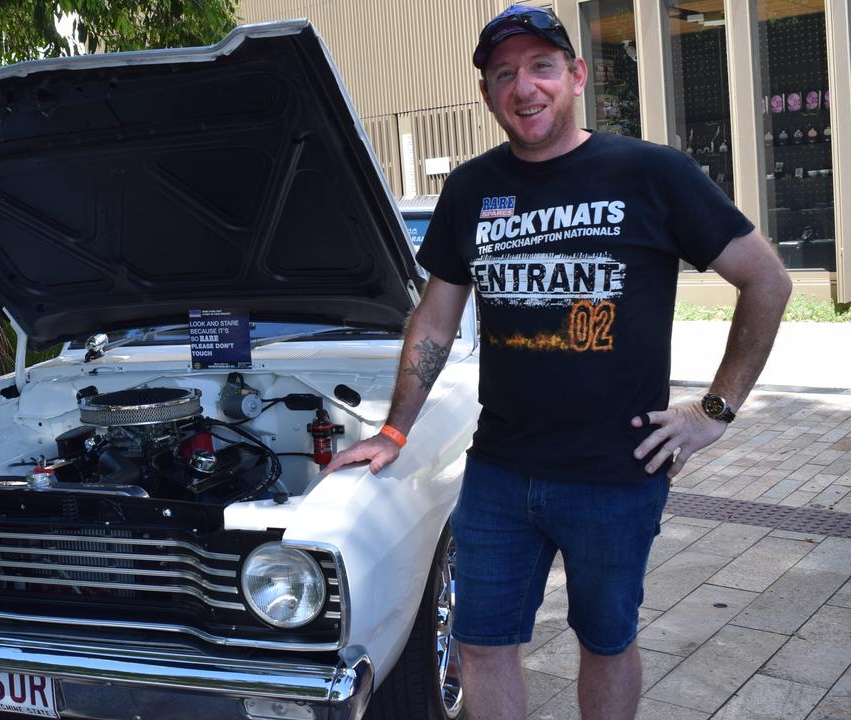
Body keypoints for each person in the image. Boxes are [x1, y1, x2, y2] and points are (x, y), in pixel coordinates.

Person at [324, 6, 791, 720]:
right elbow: (436, 319)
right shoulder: (472, 190)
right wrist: (393, 432)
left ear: (575, 77)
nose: (523, 87)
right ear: (487, 95)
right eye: (503, 74)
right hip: (499, 473)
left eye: (541, 66)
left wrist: (714, 411)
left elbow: (767, 279)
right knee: (480, 646)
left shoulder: (651, 172)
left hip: (615, 474)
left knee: (606, 643)